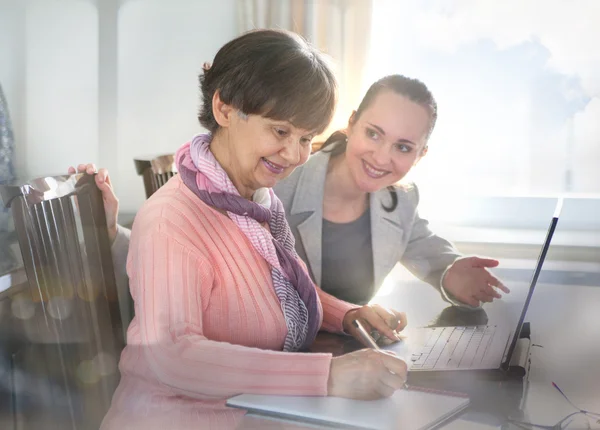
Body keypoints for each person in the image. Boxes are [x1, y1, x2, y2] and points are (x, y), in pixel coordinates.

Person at [91, 29, 409, 430]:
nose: (295, 155)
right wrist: (328, 376)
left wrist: (348, 315)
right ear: (224, 108)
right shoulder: (171, 219)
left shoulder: (255, 201)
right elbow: (173, 354)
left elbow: (278, 289)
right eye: (280, 131)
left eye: (307, 138)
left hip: (252, 411)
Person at [75, 75, 509, 313]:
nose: (381, 157)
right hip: (268, 360)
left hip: (342, 347)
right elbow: (179, 243)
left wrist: (454, 277)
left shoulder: (399, 201)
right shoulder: (278, 175)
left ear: (421, 154)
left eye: (403, 147)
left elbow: (435, 257)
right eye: (373, 134)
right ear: (351, 123)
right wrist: (113, 232)